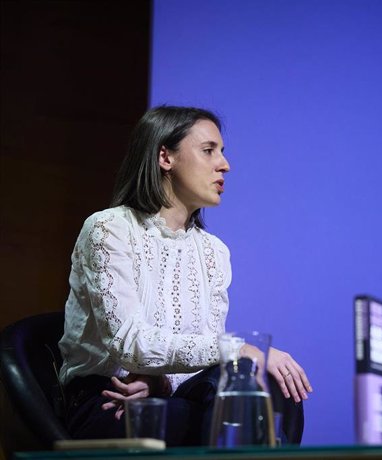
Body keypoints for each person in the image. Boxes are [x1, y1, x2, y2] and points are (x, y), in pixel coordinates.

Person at [58, 106, 312, 446]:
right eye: (209, 151)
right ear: (165, 157)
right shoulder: (108, 228)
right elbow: (129, 343)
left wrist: (160, 383)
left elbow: (199, 357)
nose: (225, 165)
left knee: (266, 383)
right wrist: (238, 348)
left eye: (221, 152)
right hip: (109, 400)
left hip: (168, 396)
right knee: (224, 407)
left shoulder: (214, 251)